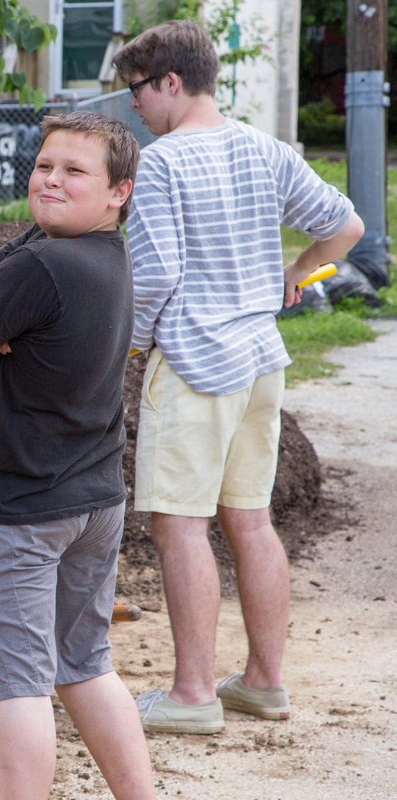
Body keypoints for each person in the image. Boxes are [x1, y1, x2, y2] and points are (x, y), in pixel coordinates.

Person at [112, 20, 365, 735]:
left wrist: (123, 351)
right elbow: (345, 227)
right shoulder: (264, 146)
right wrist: (296, 275)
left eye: (137, 89)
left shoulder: (162, 163)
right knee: (250, 521)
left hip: (194, 363)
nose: (133, 106)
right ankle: (263, 682)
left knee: (180, 528)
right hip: (259, 362)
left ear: (169, 82)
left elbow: (155, 275)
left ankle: (192, 695)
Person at [0, 111, 155, 800]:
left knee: (17, 685)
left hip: (14, 510)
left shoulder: (42, 266)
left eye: (74, 171)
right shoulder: (100, 253)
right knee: (84, 663)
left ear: (120, 191)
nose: (51, 179)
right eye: (44, 165)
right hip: (92, 499)